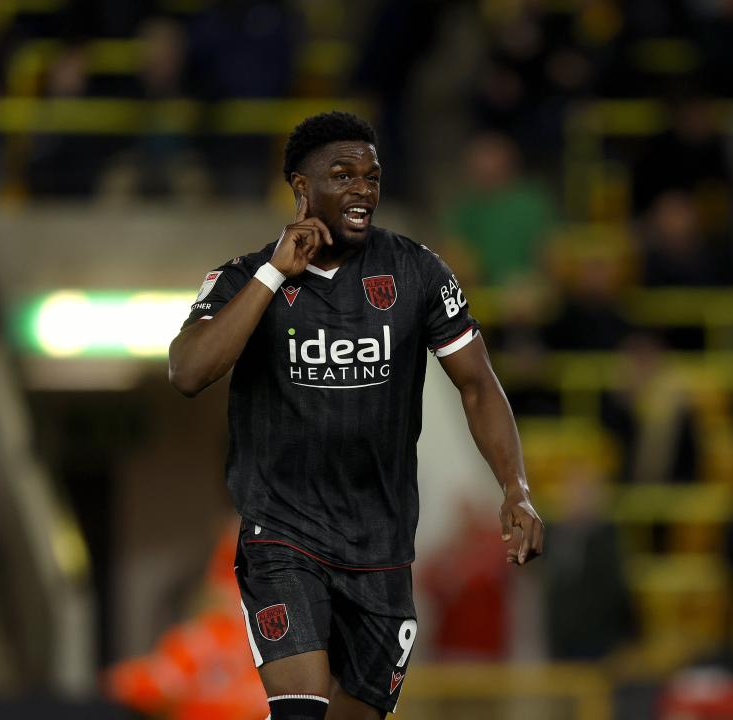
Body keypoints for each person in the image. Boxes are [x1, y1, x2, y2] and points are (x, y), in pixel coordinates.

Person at [168, 111, 544, 720]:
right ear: (301, 189)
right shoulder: (246, 277)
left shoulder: (418, 273)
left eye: (371, 176)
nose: (363, 189)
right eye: (343, 175)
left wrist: (515, 486)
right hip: (282, 534)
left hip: (382, 544)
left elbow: (477, 386)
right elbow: (188, 372)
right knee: (300, 707)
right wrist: (272, 275)